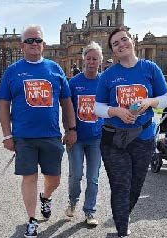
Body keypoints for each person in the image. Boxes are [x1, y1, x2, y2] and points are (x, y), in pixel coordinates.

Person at [93, 26, 167, 238]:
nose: (121, 44)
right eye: (115, 43)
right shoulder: (108, 75)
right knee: (121, 185)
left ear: (132, 41)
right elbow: (97, 107)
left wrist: (149, 102)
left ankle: (121, 218)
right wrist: (116, 111)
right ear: (113, 51)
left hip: (143, 137)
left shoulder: (150, 69)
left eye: (124, 39)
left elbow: (165, 98)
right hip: (114, 139)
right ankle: (123, 235)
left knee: (135, 186)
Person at [0, 24, 77, 238]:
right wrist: (7, 135)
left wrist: (71, 128)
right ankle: (31, 220)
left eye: (38, 40)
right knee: (29, 177)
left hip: (51, 135)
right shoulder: (13, 71)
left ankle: (46, 196)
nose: (34, 44)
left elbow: (66, 101)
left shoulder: (55, 69)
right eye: (30, 41)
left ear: (44, 44)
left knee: (55, 179)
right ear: (22, 45)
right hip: (24, 137)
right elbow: (4, 105)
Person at [65, 41, 104, 227]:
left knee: (93, 178)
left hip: (97, 138)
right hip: (77, 137)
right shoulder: (73, 83)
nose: (91, 62)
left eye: (95, 58)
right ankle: (73, 201)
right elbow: (66, 109)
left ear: (100, 61)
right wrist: (68, 131)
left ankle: (90, 211)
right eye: (88, 58)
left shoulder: (104, 83)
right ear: (83, 60)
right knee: (76, 175)